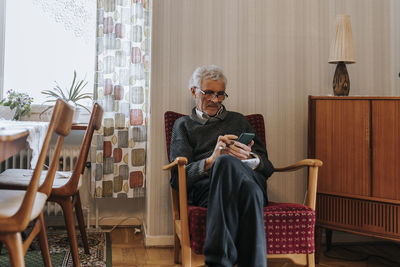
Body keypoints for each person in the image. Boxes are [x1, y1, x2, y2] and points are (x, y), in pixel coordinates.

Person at [169, 65, 274, 267]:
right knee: (241, 182)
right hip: (210, 190)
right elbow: (177, 178)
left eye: (220, 94)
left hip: (248, 178)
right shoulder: (183, 125)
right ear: (193, 91)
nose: (215, 100)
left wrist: (250, 158)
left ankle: (218, 261)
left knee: (234, 168)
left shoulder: (239, 121)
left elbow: (268, 167)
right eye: (208, 93)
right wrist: (212, 160)